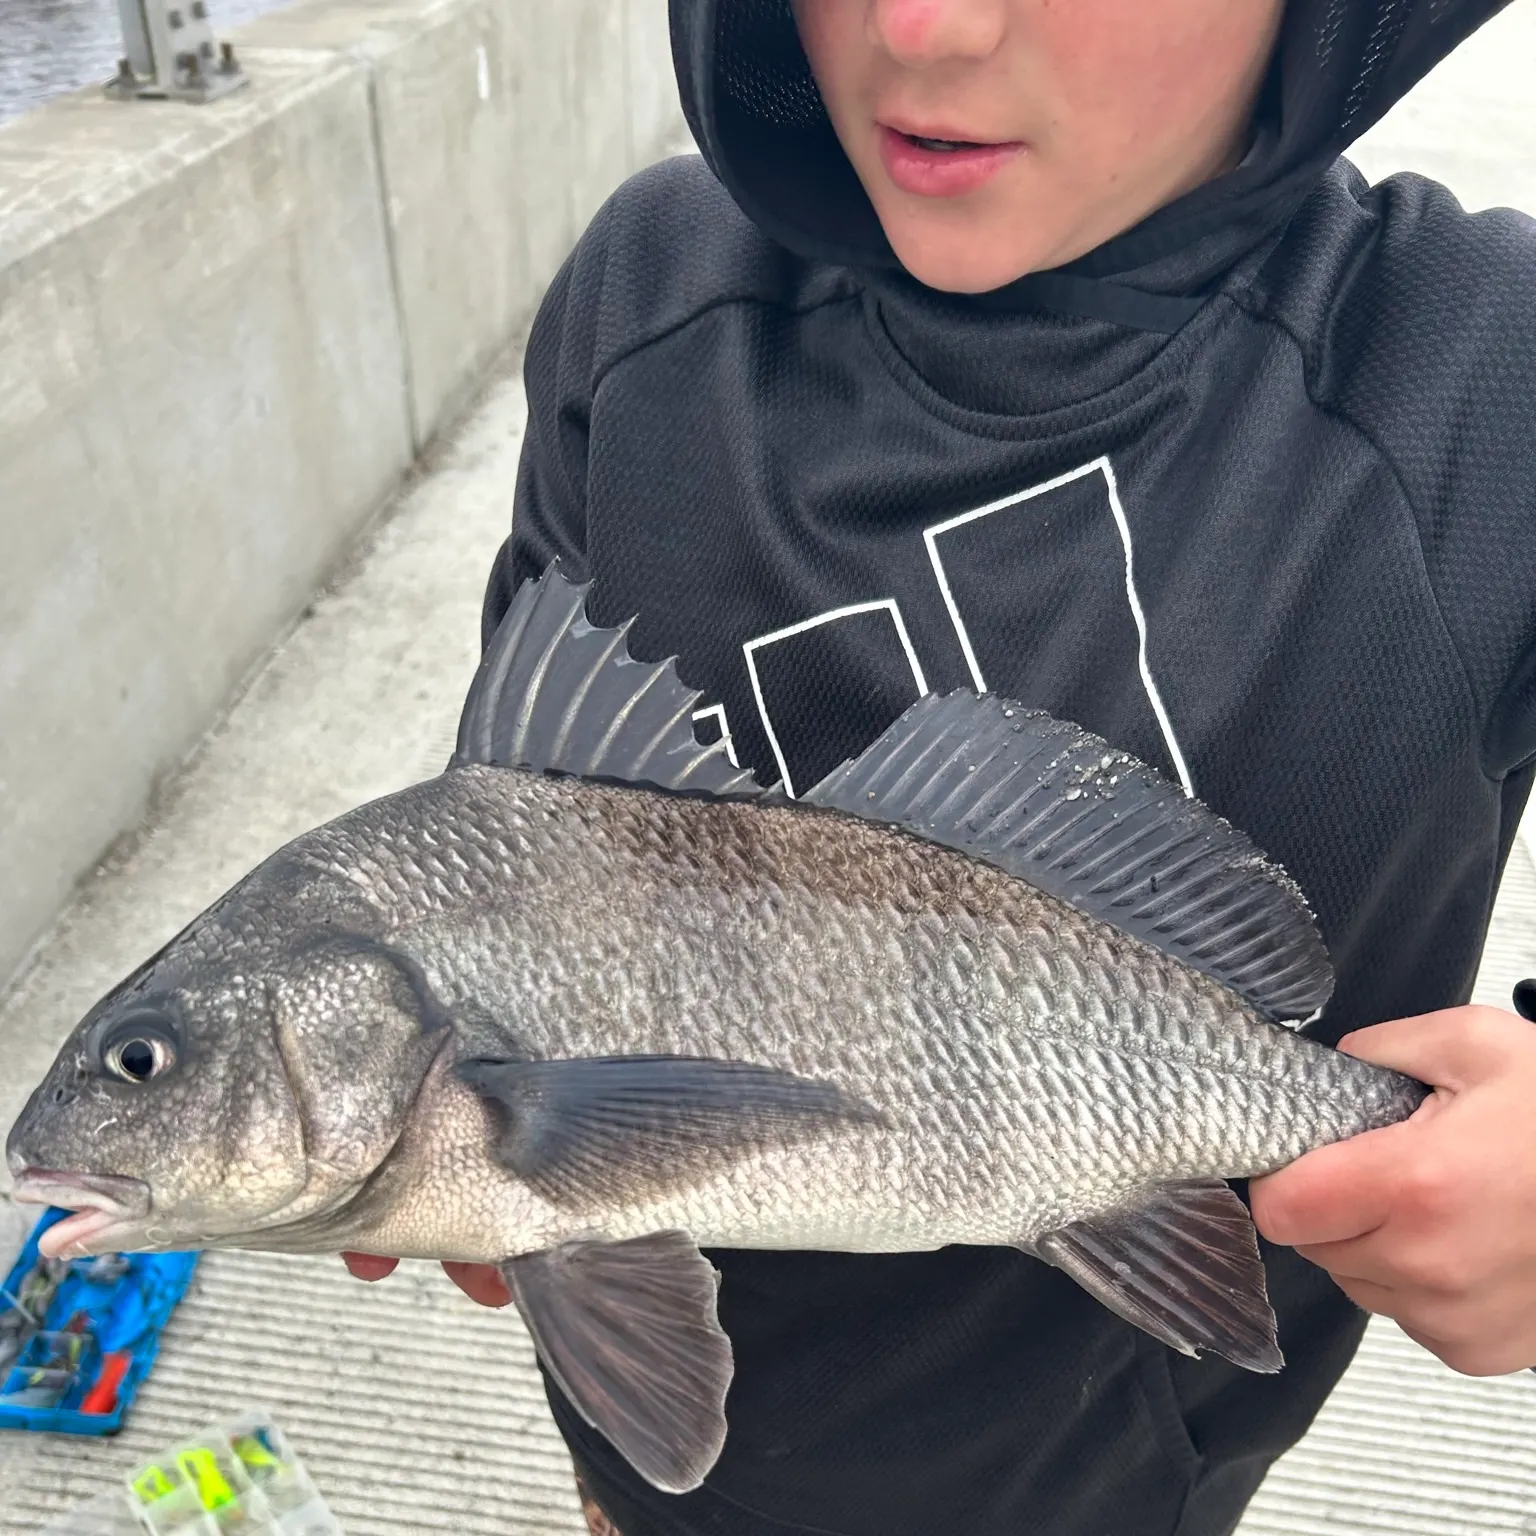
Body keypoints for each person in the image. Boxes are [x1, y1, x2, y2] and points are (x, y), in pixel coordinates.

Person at [346, 2, 1536, 1531]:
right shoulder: (644, 283)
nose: (924, 25)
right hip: (646, 1454)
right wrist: (458, 1088)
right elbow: (514, 809)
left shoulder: (1487, 381)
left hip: (1120, 1486)